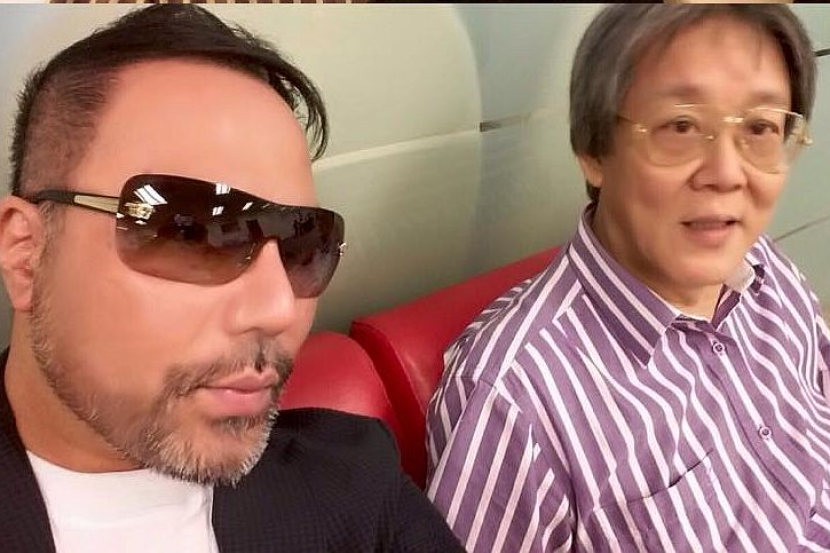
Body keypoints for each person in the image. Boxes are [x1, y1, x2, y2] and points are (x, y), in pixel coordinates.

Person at [0, 5, 462, 552]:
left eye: (302, 245)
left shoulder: (354, 488)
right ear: (26, 254)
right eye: (194, 233)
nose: (278, 308)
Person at [427, 4, 830, 551]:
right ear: (593, 150)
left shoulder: (764, 267)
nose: (727, 174)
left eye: (760, 127)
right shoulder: (516, 399)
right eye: (681, 126)